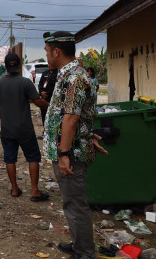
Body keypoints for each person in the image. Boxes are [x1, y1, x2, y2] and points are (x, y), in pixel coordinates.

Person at [43, 31, 108, 259]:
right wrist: (88, 135)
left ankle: (85, 253)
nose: (46, 55)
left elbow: (71, 118)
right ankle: (78, 243)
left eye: (47, 51)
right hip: (74, 148)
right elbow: (78, 114)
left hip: (71, 154)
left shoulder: (74, 78)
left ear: (56, 52)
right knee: (71, 202)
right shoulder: (70, 75)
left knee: (75, 204)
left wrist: (63, 154)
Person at [0, 52, 50, 201]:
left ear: (6, 67)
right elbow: (37, 101)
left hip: (7, 128)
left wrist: (4, 116)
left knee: (10, 159)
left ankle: (14, 189)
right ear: (19, 66)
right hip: (25, 128)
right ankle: (34, 191)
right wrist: (51, 106)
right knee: (33, 157)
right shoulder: (26, 82)